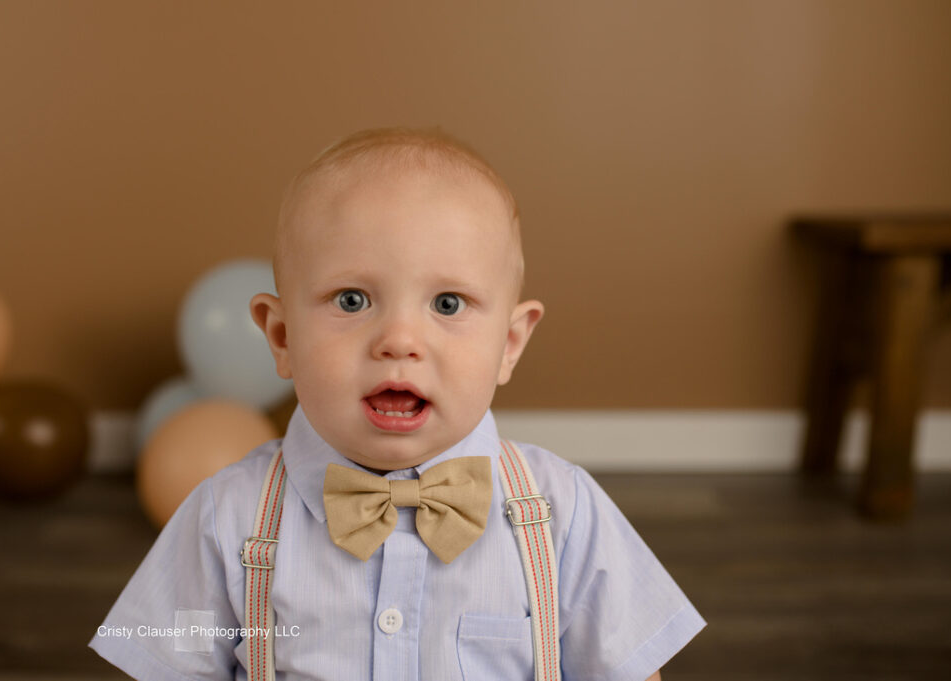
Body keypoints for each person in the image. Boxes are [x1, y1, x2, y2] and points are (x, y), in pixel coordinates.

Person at [89, 127, 705, 680]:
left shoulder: (564, 515)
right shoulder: (226, 517)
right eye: (352, 300)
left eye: (447, 304)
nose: (400, 342)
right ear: (281, 338)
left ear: (510, 343)